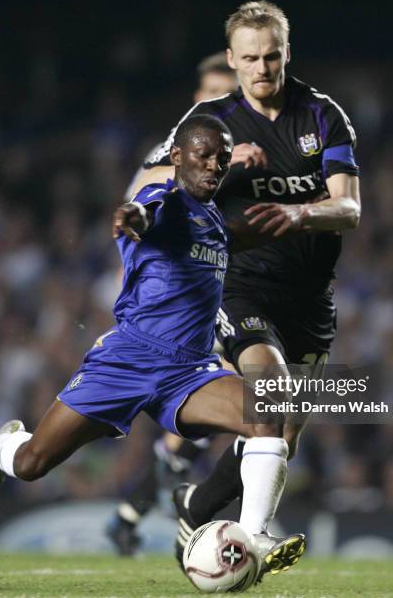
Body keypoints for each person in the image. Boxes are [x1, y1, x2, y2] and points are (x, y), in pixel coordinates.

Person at [0, 115, 305, 581]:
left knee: (268, 411)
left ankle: (255, 536)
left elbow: (237, 234)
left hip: (189, 372)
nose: (214, 166)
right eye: (204, 156)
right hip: (126, 363)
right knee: (32, 464)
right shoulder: (163, 202)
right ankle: (3, 447)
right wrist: (133, 217)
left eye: (222, 159)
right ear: (177, 158)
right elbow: (147, 214)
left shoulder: (215, 222)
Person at [132, 0, 361, 565]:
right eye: (251, 58)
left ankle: (196, 504)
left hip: (309, 296)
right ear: (232, 60)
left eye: (273, 57)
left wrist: (303, 215)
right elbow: (155, 177)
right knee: (268, 383)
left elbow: (350, 207)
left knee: (281, 435)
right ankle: (254, 538)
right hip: (237, 283)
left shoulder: (324, 116)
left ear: (287, 55)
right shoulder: (209, 122)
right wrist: (227, 165)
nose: (263, 69)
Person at [107, 51, 239, 556]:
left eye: (223, 95)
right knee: (235, 400)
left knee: (215, 416)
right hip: (173, 294)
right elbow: (141, 200)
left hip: (222, 284)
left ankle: (134, 510)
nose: (213, 102)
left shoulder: (237, 154)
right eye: (207, 93)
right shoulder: (173, 153)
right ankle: (173, 496)